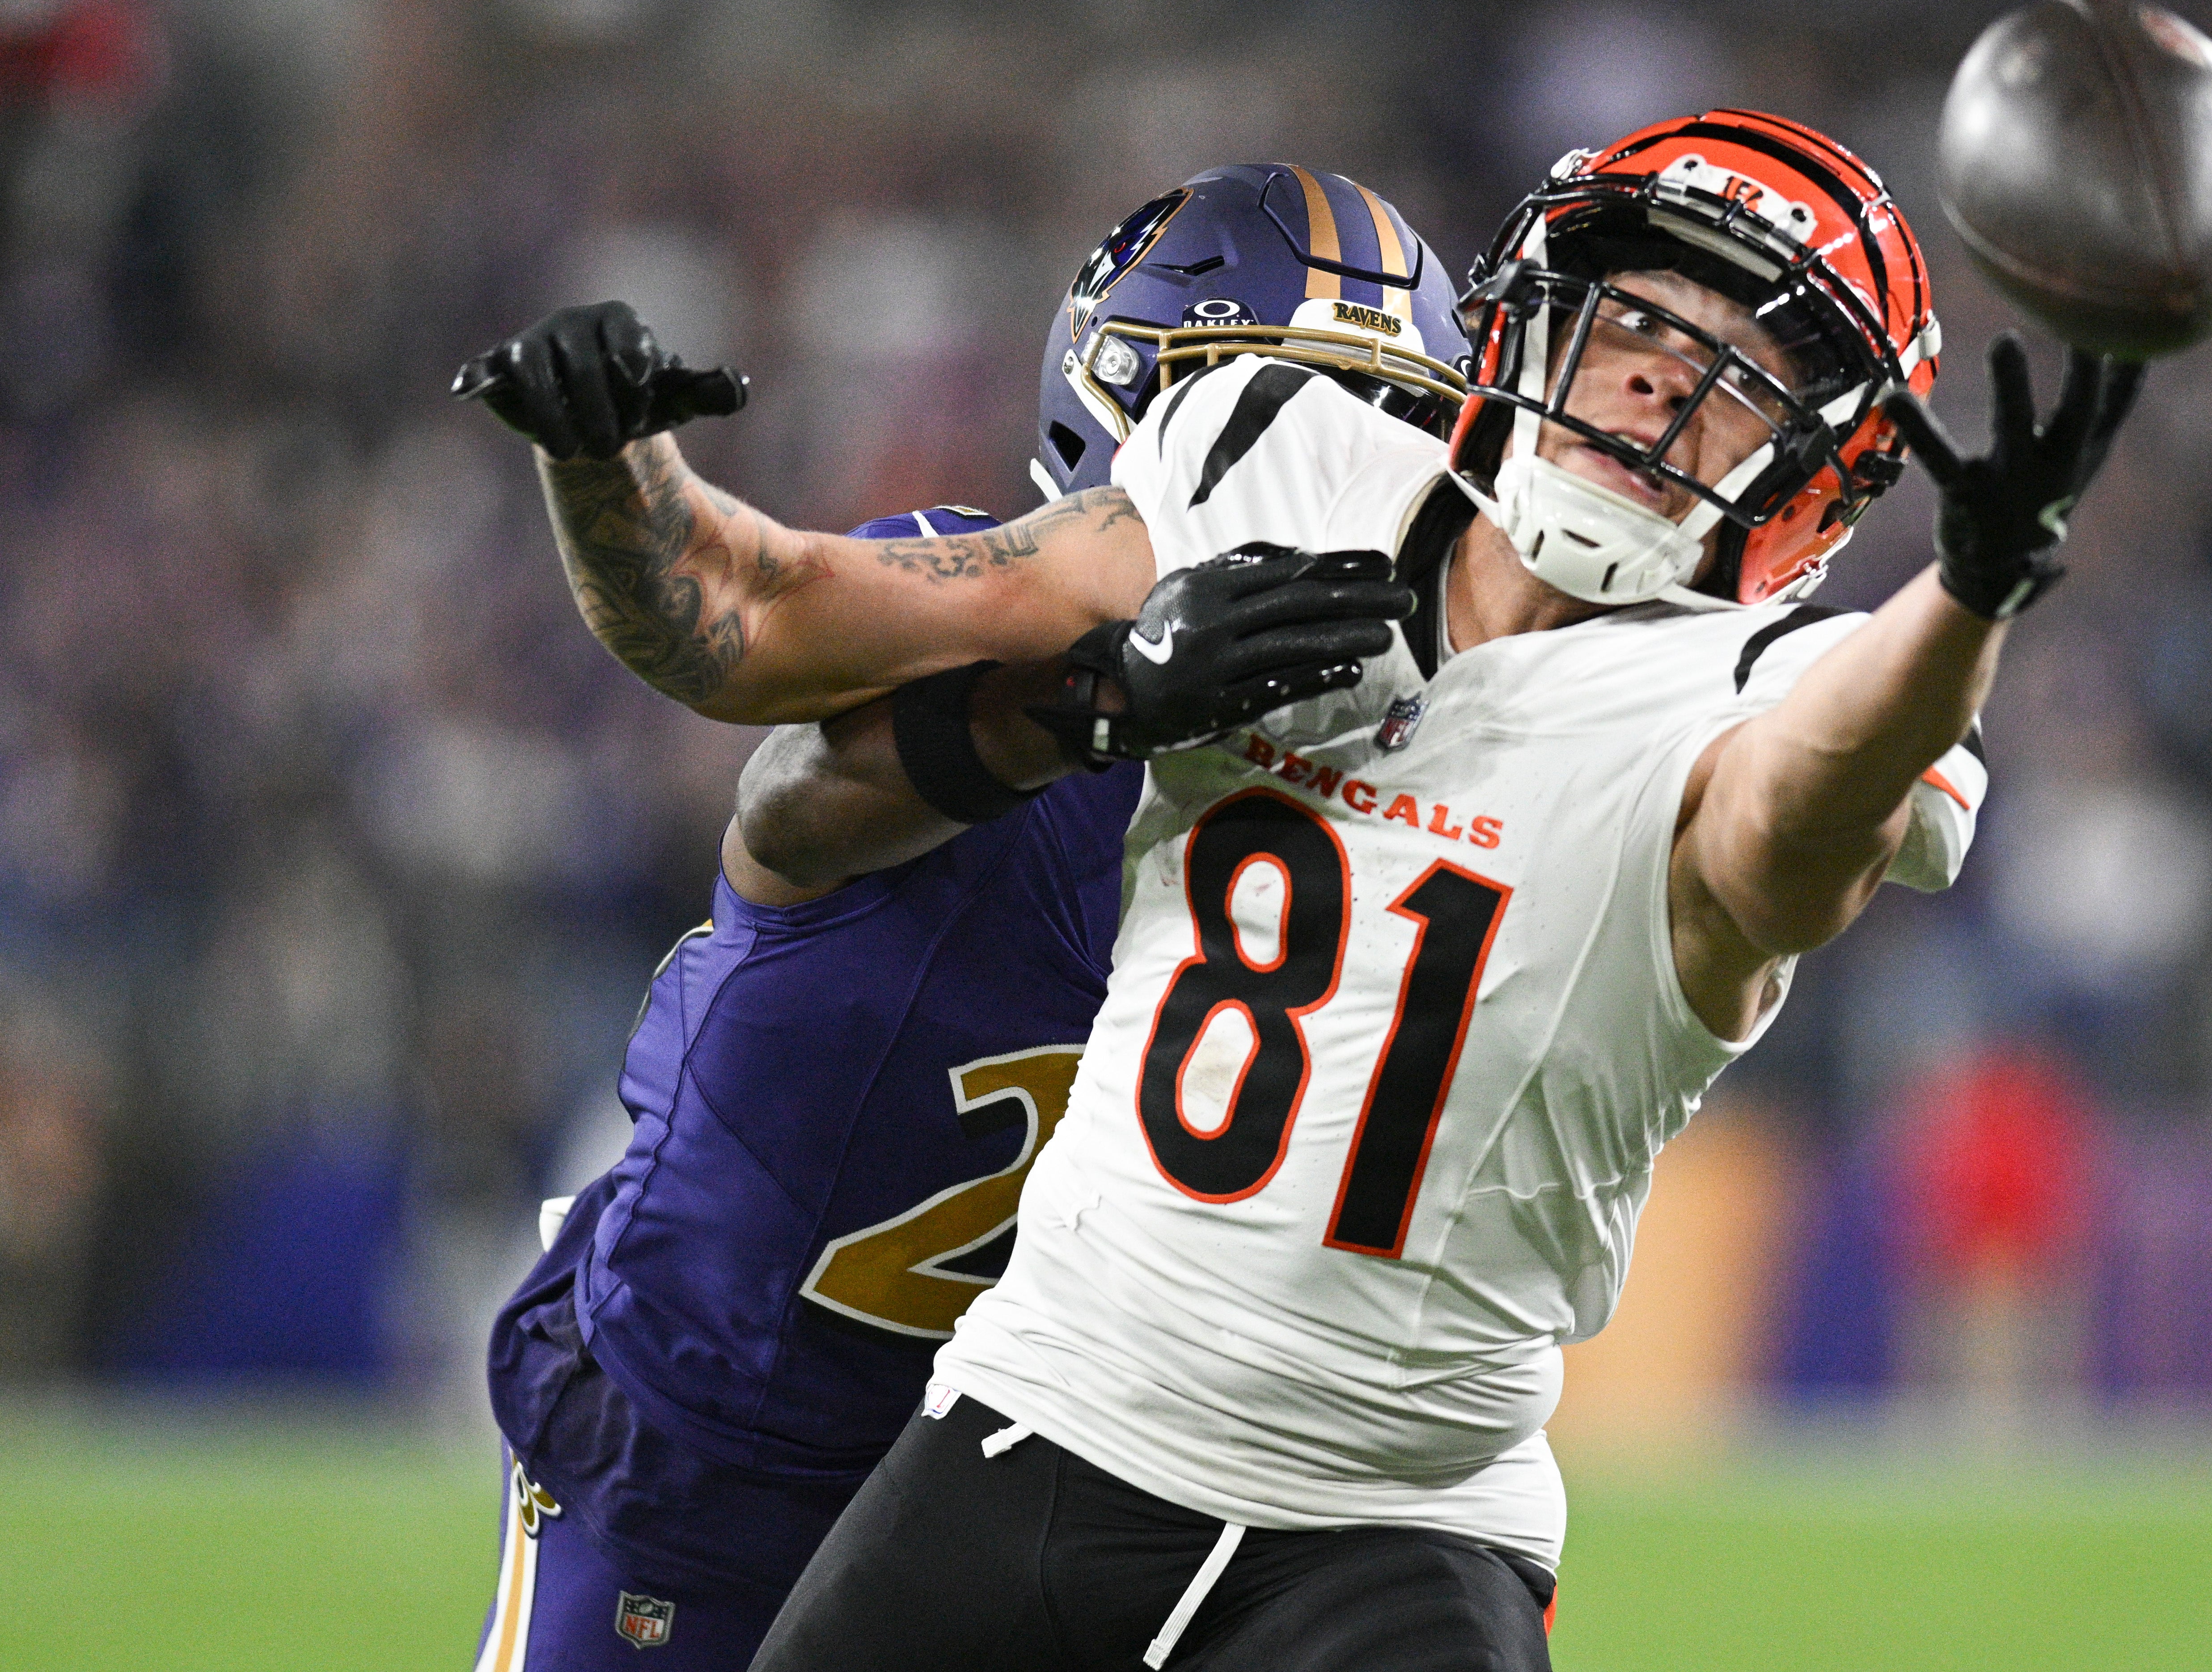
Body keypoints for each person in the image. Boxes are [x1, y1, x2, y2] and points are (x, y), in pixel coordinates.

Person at [461, 109, 2139, 1671]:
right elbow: (765, 666)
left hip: (1381, 1501)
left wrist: (1971, 600)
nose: (1662, 397)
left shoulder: (1752, 696)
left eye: (1745, 381)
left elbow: (1808, 805)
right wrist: (617, 466)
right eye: (1636, 330)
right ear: (1531, 320)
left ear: (1817, 480)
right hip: (946, 1412)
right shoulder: (1258, 479)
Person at [462, 166, 1468, 1671]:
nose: (1330, 462)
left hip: (1056, 1479)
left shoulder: (1432, 777)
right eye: (1283, 399)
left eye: (1388, 412)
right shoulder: (1019, 623)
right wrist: (1094, 705)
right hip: (719, 1421)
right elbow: (782, 779)